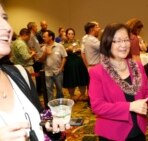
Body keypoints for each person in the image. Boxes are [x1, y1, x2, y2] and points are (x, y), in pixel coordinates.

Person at [0, 4, 69, 141]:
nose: (7, 27)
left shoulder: (19, 73)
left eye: (4, 17)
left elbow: (40, 118)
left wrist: (49, 125)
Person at [89, 23, 148, 141]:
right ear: (107, 43)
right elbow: (97, 106)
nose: (123, 45)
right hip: (113, 133)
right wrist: (130, 106)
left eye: (126, 40)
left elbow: (147, 91)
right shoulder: (97, 72)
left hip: (139, 129)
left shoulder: (137, 66)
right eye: (117, 41)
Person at [39, 30, 67, 101]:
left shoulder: (59, 46)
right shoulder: (43, 48)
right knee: (49, 90)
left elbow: (64, 57)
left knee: (59, 89)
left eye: (45, 37)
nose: (43, 38)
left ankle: (60, 103)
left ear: (50, 37)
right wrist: (45, 52)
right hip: (47, 72)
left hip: (58, 71)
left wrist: (61, 67)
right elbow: (40, 60)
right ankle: (51, 105)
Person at [63, 28, 89, 101]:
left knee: (82, 79)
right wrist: (68, 49)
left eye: (72, 34)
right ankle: (72, 95)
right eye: (69, 34)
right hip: (69, 62)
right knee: (71, 80)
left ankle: (83, 95)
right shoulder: (63, 43)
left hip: (79, 61)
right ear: (66, 34)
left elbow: (82, 49)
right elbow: (61, 52)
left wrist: (78, 49)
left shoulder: (77, 41)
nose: (71, 35)